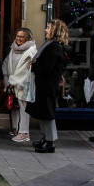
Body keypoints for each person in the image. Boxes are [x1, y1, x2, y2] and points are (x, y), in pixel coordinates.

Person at [26, 19, 69, 154]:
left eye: (49, 28)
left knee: (47, 112)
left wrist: (34, 66)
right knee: (43, 112)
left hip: (48, 84)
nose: (46, 30)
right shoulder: (51, 45)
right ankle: (46, 138)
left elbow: (47, 67)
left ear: (55, 30)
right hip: (44, 83)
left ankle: (50, 141)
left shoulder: (54, 47)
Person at [2, 28, 38, 143]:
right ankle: (15, 128)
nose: (19, 38)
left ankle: (24, 132)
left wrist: (13, 80)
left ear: (27, 38)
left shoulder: (31, 51)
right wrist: (7, 78)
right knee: (14, 107)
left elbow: (27, 69)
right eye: (17, 36)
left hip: (23, 84)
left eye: (22, 36)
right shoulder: (13, 49)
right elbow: (7, 63)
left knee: (24, 108)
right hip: (13, 83)